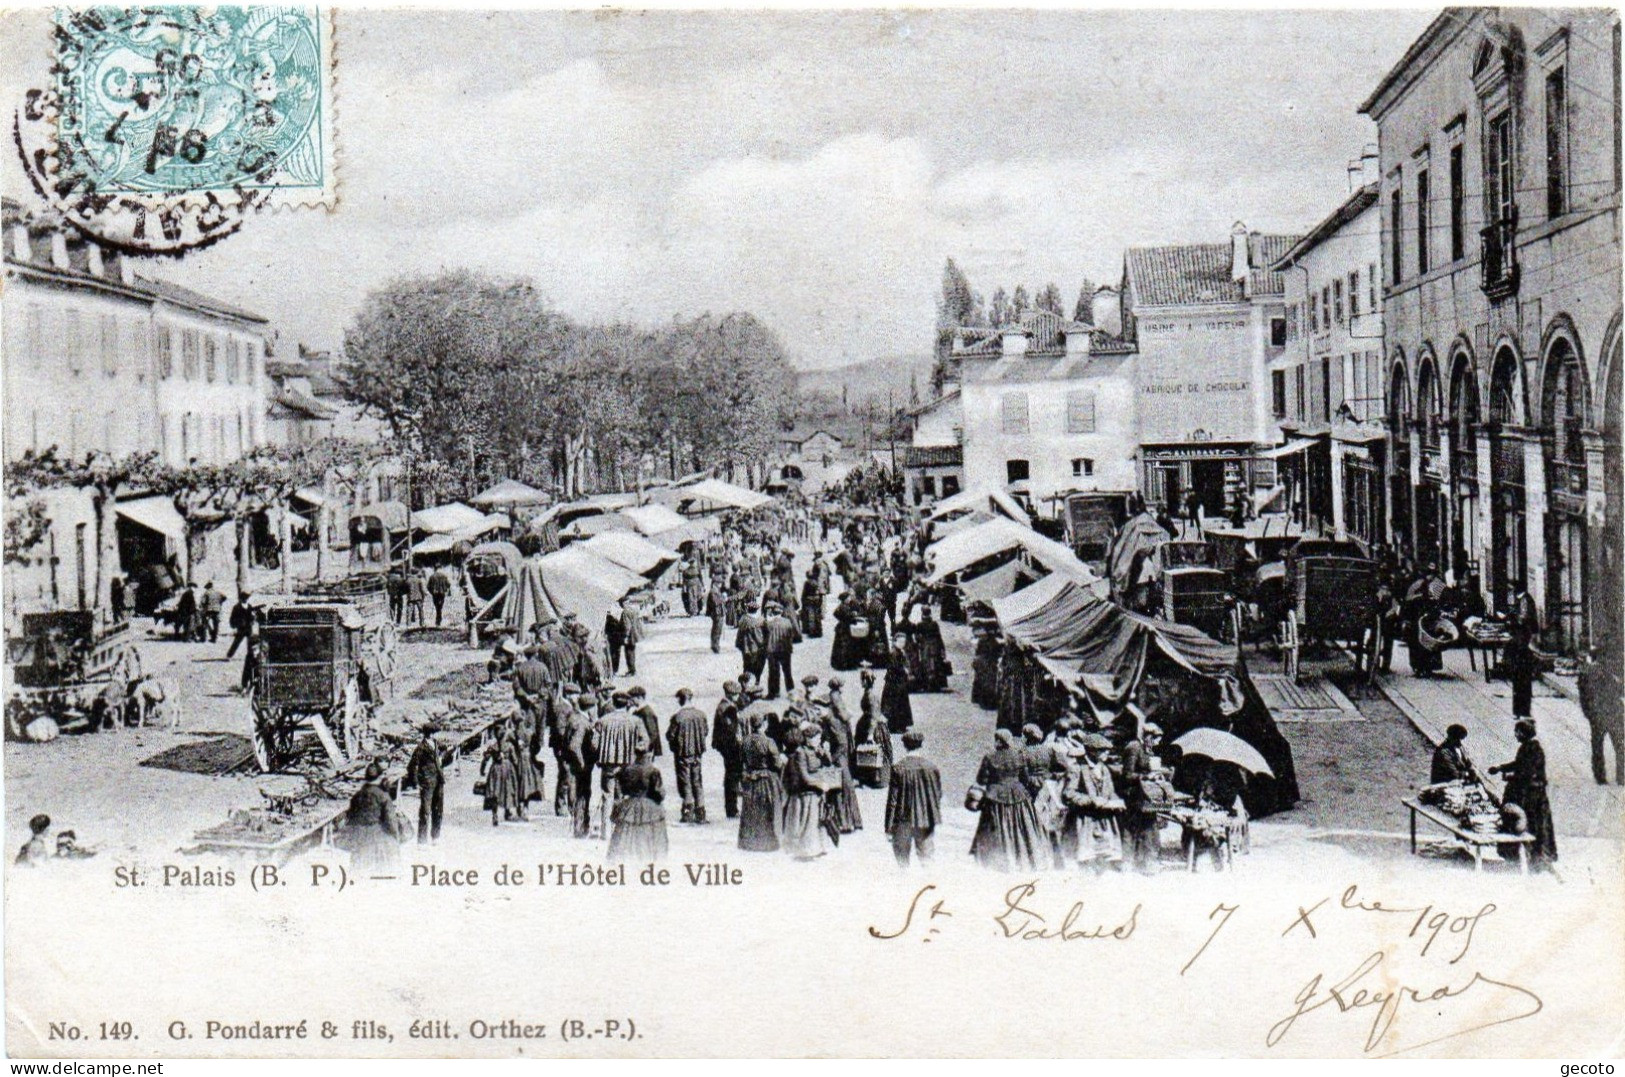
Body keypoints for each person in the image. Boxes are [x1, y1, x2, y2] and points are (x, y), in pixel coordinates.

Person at [969, 729, 1045, 871]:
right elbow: (1026, 778)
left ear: (998, 741)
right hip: (1018, 794)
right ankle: (1020, 857)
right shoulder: (1019, 756)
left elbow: (982, 779)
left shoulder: (990, 757)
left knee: (995, 827)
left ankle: (995, 860)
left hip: (995, 795)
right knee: (1022, 827)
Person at [1489, 719, 1557, 869]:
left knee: (1529, 823)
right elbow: (1519, 764)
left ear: (1524, 733)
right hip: (1532, 792)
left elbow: (1526, 772)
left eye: (1517, 731)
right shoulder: (1529, 747)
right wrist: (1500, 768)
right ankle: (1531, 857)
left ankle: (1533, 858)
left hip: (1532, 794)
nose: (1515, 734)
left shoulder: (1532, 749)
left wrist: (1509, 776)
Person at [587, 692, 650, 838]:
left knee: (607, 796)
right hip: (628, 764)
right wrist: (634, 750)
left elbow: (594, 744)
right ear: (627, 703)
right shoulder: (635, 721)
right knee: (627, 797)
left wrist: (602, 752)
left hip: (608, 764)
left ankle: (606, 832)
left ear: (613, 703)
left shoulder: (603, 721)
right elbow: (645, 742)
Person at [1062, 733, 1124, 873]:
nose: (1107, 753)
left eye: (1107, 750)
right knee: (1087, 859)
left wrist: (1116, 802)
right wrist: (1091, 800)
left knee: (1106, 857)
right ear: (1091, 751)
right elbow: (1068, 794)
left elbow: (1110, 791)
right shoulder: (1077, 768)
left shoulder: (1104, 769)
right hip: (1085, 820)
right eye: (1103, 750)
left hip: (1105, 819)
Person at [885, 730, 942, 867]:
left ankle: (905, 884)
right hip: (924, 819)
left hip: (903, 819)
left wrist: (888, 826)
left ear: (905, 745)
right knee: (927, 858)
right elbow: (937, 794)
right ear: (921, 745)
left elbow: (893, 800)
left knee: (902, 858)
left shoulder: (898, 768)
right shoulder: (931, 767)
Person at [607, 748, 669, 863]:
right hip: (650, 810)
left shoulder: (626, 770)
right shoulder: (653, 771)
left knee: (624, 844)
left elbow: (620, 791)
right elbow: (659, 794)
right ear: (649, 754)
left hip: (629, 807)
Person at [779, 725, 829, 861]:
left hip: (816, 790)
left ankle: (814, 848)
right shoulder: (800, 753)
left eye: (820, 738)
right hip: (806, 791)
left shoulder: (816, 750)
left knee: (817, 821)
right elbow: (804, 776)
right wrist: (820, 784)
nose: (819, 740)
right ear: (808, 739)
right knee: (808, 821)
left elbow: (827, 764)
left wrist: (824, 753)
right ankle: (805, 851)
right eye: (816, 738)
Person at [1118, 722, 1162, 874]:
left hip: (1145, 793)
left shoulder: (1147, 749)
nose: (1157, 743)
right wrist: (1145, 776)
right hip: (1132, 794)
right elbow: (1127, 775)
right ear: (1148, 736)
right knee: (1131, 828)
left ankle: (1148, 862)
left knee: (1150, 826)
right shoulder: (1134, 747)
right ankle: (1128, 863)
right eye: (1156, 739)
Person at [737, 713, 784, 852]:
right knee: (767, 809)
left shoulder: (745, 741)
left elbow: (742, 760)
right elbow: (777, 764)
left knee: (751, 810)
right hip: (766, 779)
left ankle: (749, 842)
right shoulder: (769, 741)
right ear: (764, 725)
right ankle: (767, 842)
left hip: (750, 779)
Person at [1579, 642, 1624, 786]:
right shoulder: (1607, 674)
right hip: (1611, 714)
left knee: (1598, 746)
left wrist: (1589, 714)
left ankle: (1600, 776)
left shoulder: (1586, 673)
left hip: (1600, 715)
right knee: (1619, 745)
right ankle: (1621, 776)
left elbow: (1583, 698)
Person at [821, 685, 862, 834]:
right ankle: (850, 820)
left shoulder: (832, 721)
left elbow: (842, 745)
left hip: (839, 760)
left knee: (839, 789)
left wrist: (831, 759)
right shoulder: (837, 719)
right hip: (842, 758)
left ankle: (844, 822)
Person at [345, 762, 402, 869]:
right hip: (377, 837)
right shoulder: (383, 796)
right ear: (380, 777)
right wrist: (396, 835)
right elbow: (391, 820)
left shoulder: (357, 795)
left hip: (359, 838)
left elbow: (350, 817)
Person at [667, 688, 709, 823]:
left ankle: (687, 813)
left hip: (683, 754)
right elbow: (706, 731)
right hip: (697, 753)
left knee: (685, 783)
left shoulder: (678, 716)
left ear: (681, 699)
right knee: (697, 782)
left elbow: (670, 735)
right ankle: (701, 812)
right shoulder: (701, 715)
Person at [562, 693, 598, 838]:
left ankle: (581, 827)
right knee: (582, 796)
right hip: (581, 767)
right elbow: (574, 746)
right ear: (590, 708)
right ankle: (580, 828)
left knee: (580, 795)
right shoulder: (582, 723)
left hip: (574, 765)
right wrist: (582, 763)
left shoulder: (574, 718)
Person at [1503, 587, 1542, 720]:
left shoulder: (1524, 601)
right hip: (1522, 658)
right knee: (1522, 685)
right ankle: (1522, 712)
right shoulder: (1524, 600)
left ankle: (1520, 712)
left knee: (1520, 685)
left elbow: (1523, 619)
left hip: (1521, 657)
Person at [849, 673, 892, 788]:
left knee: (871, 751)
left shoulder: (870, 696)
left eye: (862, 680)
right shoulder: (869, 693)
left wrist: (870, 734)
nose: (861, 682)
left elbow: (873, 716)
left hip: (870, 727)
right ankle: (869, 777)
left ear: (866, 681)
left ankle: (876, 778)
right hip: (866, 725)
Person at [712, 681, 746, 818]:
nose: (738, 697)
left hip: (727, 746)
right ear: (731, 694)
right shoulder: (727, 708)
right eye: (736, 694)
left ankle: (732, 808)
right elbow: (731, 729)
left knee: (732, 775)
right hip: (730, 747)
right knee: (732, 776)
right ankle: (732, 809)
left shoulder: (725, 706)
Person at [406, 725, 444, 844]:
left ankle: (435, 837)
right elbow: (412, 766)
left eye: (434, 732)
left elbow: (443, 749)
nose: (433, 735)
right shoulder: (421, 747)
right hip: (427, 782)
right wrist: (416, 782)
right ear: (427, 733)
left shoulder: (436, 743)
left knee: (438, 810)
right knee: (425, 811)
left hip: (438, 780)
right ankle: (422, 841)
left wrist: (441, 758)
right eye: (431, 732)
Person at [481, 724, 520, 826]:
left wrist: (482, 770)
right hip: (507, 769)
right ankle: (507, 812)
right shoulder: (509, 746)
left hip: (495, 770)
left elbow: (485, 759)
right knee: (507, 790)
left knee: (495, 792)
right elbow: (515, 760)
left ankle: (495, 814)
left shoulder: (493, 746)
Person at [762, 602, 799, 699]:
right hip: (785, 650)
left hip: (772, 651)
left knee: (773, 672)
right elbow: (791, 635)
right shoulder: (787, 622)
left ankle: (774, 692)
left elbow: (765, 636)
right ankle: (791, 690)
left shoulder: (769, 624)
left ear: (773, 613)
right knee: (787, 671)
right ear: (781, 613)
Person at [908, 605, 949, 692]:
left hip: (925, 647)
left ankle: (927, 684)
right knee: (936, 663)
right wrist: (942, 648)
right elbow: (939, 636)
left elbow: (917, 637)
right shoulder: (934, 624)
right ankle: (937, 684)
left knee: (926, 664)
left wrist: (919, 643)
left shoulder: (920, 625)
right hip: (935, 646)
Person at [880, 642, 914, 734]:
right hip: (894, 683)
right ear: (895, 642)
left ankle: (900, 725)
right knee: (896, 703)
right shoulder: (894, 653)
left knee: (900, 703)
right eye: (900, 641)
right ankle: (896, 726)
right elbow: (894, 667)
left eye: (903, 642)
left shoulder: (899, 652)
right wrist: (904, 670)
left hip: (897, 681)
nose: (902, 643)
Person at [735, 601, 767, 684]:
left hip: (745, 649)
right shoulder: (757, 622)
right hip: (755, 649)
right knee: (756, 668)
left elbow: (739, 636)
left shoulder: (743, 619)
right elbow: (759, 638)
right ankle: (755, 684)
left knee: (747, 667)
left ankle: (745, 684)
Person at [629, 685, 662, 758]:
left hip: (645, 751)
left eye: (632, 698)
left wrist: (645, 748)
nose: (631, 700)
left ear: (639, 698)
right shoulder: (640, 711)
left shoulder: (646, 712)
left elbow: (652, 733)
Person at [225, 591, 256, 658]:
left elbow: (252, 616)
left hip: (249, 627)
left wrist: (253, 619)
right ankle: (229, 655)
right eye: (244, 598)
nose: (245, 599)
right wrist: (233, 624)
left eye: (246, 598)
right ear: (241, 598)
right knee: (237, 642)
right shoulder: (236, 607)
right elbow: (232, 617)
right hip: (241, 627)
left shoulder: (249, 606)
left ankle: (250, 656)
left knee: (250, 643)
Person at [620, 601, 644, 676]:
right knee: (632, 651)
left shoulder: (625, 612)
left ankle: (631, 670)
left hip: (630, 635)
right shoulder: (633, 610)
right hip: (635, 634)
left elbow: (627, 625)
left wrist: (626, 637)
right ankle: (633, 670)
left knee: (628, 652)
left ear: (623, 604)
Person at [604, 602, 629, 676]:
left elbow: (606, 630)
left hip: (612, 640)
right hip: (617, 639)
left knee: (613, 654)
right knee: (616, 654)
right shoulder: (614, 620)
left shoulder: (609, 621)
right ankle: (615, 669)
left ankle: (614, 669)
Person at [706, 579, 728, 655]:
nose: (720, 585)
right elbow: (716, 602)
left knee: (717, 629)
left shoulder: (716, 591)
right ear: (715, 584)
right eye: (719, 583)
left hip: (718, 612)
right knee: (717, 629)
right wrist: (723, 598)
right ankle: (715, 645)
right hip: (717, 613)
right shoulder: (713, 591)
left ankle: (715, 644)